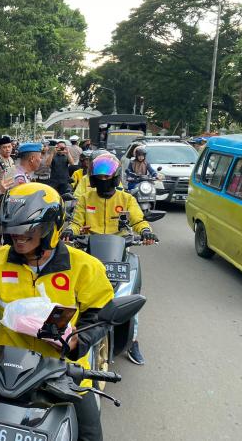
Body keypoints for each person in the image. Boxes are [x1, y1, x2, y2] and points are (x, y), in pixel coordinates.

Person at [0, 182, 115, 441]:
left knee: (90, 436)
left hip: (63, 370)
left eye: (27, 230)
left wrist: (80, 341)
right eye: (11, 230)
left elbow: (100, 316)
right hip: (7, 368)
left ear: (51, 228)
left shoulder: (85, 267)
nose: (17, 237)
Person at [63, 152, 158, 366]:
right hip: (90, 250)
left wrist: (145, 231)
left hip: (120, 251)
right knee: (79, 294)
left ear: (115, 177)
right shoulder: (86, 198)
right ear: (93, 178)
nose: (103, 181)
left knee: (130, 295)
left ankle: (132, 340)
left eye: (107, 177)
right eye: (100, 177)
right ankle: (75, 332)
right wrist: (70, 230)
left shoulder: (126, 199)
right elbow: (76, 222)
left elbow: (138, 220)